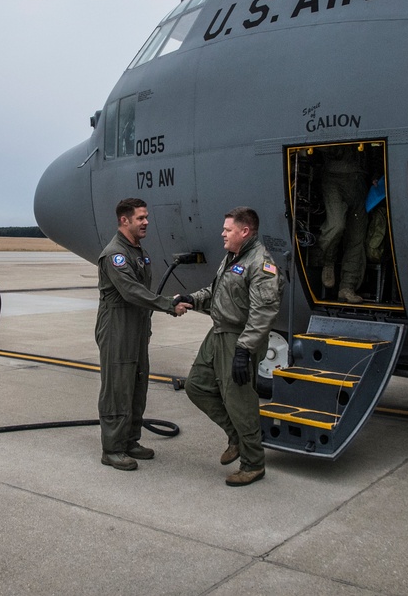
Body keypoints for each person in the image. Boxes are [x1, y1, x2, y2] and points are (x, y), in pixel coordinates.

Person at [178, 207, 283, 486]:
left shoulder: (260, 264)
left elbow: (264, 312)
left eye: (228, 229)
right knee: (196, 386)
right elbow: (215, 291)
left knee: (240, 403)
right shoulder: (233, 257)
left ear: (245, 231)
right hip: (218, 333)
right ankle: (235, 436)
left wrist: (244, 349)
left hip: (240, 338)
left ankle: (253, 464)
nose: (222, 233)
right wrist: (193, 298)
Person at [95, 197, 188, 471]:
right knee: (117, 389)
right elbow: (131, 291)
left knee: (137, 385)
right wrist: (169, 304)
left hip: (136, 328)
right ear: (125, 220)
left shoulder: (139, 251)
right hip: (117, 328)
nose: (146, 222)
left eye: (146, 217)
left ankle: (130, 441)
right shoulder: (115, 254)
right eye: (141, 218)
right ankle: (111, 449)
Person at [317, 145, 369, 303]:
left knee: (357, 237)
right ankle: (328, 262)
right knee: (336, 225)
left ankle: (347, 287)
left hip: (360, 181)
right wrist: (339, 150)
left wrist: (376, 173)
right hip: (334, 178)